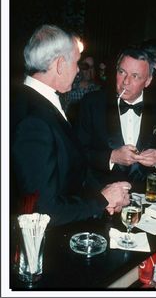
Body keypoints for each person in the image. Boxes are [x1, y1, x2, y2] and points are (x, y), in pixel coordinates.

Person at [10, 24, 131, 227]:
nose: (77, 70)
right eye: (76, 62)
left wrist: (104, 195)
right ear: (59, 65)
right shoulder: (33, 122)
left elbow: (69, 172)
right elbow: (43, 210)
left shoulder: (26, 99)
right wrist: (101, 201)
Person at [74, 46, 156, 192]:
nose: (126, 82)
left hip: (148, 197)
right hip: (102, 196)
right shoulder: (92, 103)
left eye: (135, 76)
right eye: (122, 72)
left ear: (148, 80)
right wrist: (112, 157)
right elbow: (76, 153)